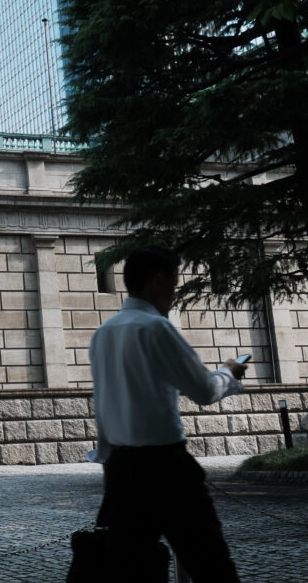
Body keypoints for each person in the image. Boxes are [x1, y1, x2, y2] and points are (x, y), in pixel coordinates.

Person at [88, 245, 246, 582]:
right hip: (166, 468)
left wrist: (106, 462)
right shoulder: (157, 328)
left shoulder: (102, 334)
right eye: (174, 285)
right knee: (211, 563)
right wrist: (229, 372)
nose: (174, 295)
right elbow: (204, 390)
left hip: (120, 470)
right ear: (158, 281)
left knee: (130, 571)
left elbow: (102, 404)